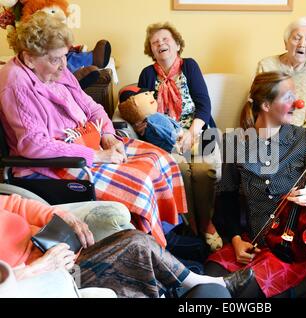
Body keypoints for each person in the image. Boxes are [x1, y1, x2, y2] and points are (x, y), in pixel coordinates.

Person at [0, 12, 186, 249]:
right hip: (54, 164)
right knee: (138, 182)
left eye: (65, 56)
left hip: (89, 139)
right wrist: (97, 156)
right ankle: (158, 246)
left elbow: (91, 106)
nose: (63, 66)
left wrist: (107, 134)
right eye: (56, 59)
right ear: (28, 58)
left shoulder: (58, 70)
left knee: (159, 159)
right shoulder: (15, 83)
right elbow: (33, 144)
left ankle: (169, 233)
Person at [206, 71, 306, 298]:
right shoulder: (234, 143)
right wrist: (235, 241)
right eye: (288, 97)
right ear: (265, 104)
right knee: (210, 281)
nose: (297, 103)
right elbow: (226, 198)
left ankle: (301, 284)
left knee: (244, 295)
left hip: (291, 249)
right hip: (252, 241)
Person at [0, 193, 254, 298]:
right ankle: (199, 282)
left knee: (136, 243)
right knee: (136, 244)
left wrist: (56, 216)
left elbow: (15, 203)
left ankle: (189, 282)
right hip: (45, 278)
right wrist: (36, 270)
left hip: (55, 251)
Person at [137, 22, 222, 251]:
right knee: (180, 169)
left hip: (200, 129)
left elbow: (204, 105)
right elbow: (143, 112)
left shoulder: (190, 66)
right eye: (155, 43)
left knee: (205, 169)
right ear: (151, 50)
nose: (160, 44)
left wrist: (192, 132)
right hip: (167, 138)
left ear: (177, 44)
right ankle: (193, 225)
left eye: (165, 39)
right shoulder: (147, 74)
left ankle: (206, 222)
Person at [256, 17, 306, 131]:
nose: (302, 44)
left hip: (303, 134)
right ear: (286, 43)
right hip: (271, 130)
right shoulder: (266, 66)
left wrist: (302, 139)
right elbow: (257, 105)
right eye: (297, 38)